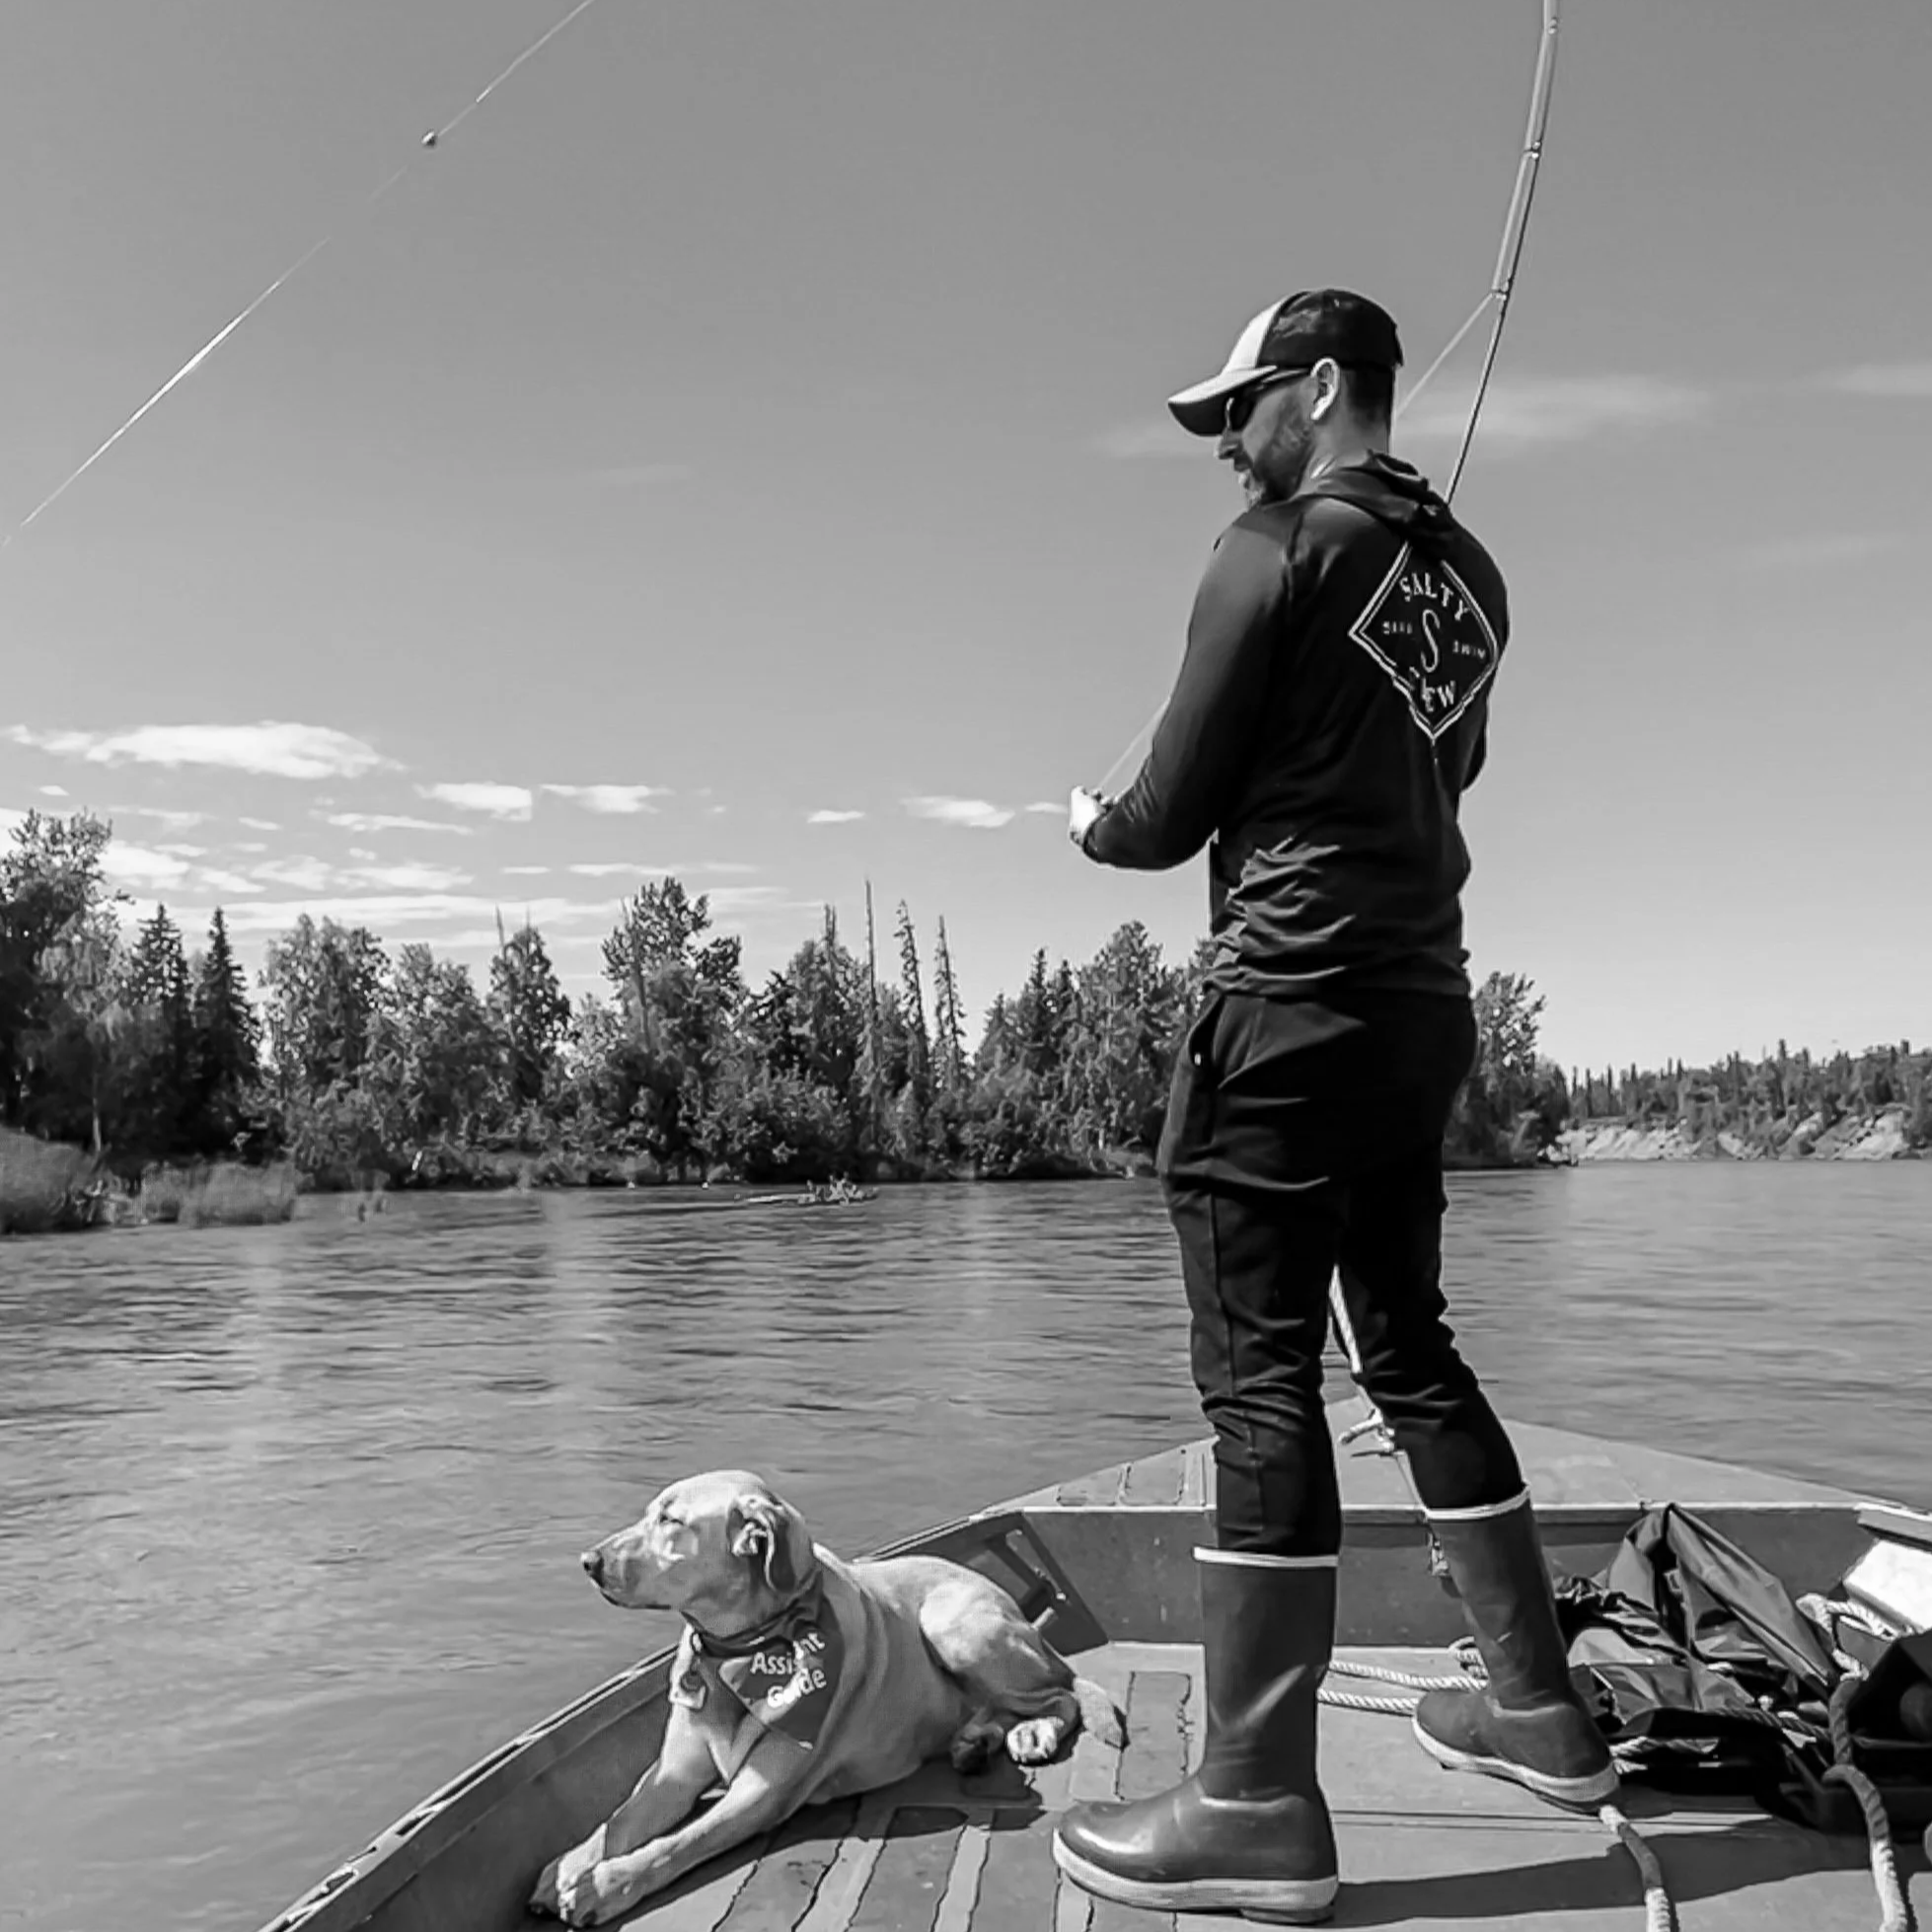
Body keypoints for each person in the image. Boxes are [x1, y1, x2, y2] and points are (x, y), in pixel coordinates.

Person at [1052, 289, 1615, 1922]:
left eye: (1238, 409)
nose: (1223, 444)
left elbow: (1169, 809)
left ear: (1316, 389)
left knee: (1259, 1389)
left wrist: (1093, 823)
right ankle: (1536, 1708)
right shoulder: (1475, 579)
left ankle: (1250, 1805)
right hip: (1419, 1007)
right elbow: (1453, 772)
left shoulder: (1270, 552)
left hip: (1284, 1010)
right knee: (1410, 1343)